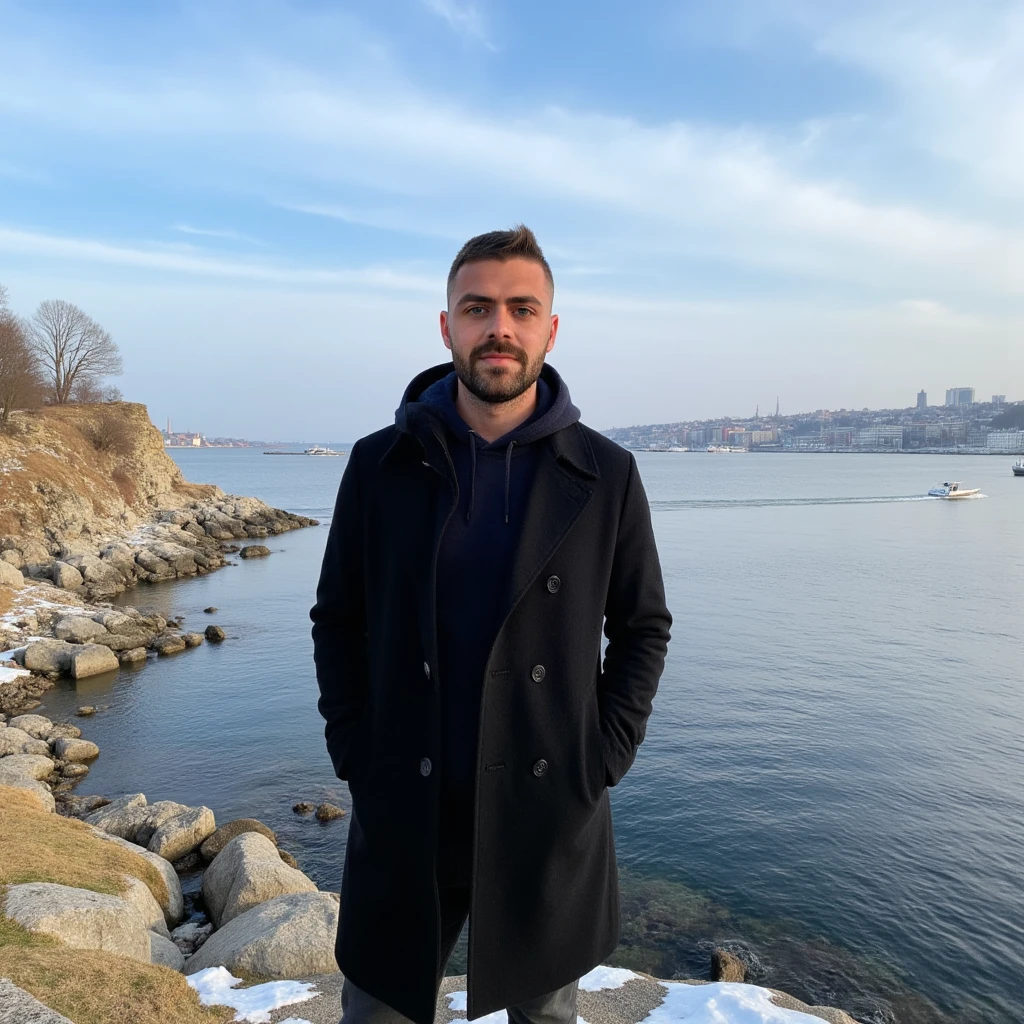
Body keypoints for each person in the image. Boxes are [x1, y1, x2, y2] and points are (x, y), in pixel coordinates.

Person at [311, 225, 671, 1024]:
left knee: (542, 1017)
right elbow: (337, 619)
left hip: (545, 812)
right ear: (447, 327)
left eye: (520, 308)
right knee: (376, 1014)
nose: (498, 327)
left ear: (549, 328)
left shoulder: (606, 473)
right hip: (406, 804)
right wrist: (353, 749)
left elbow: (643, 625)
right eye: (477, 308)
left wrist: (604, 755)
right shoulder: (379, 465)